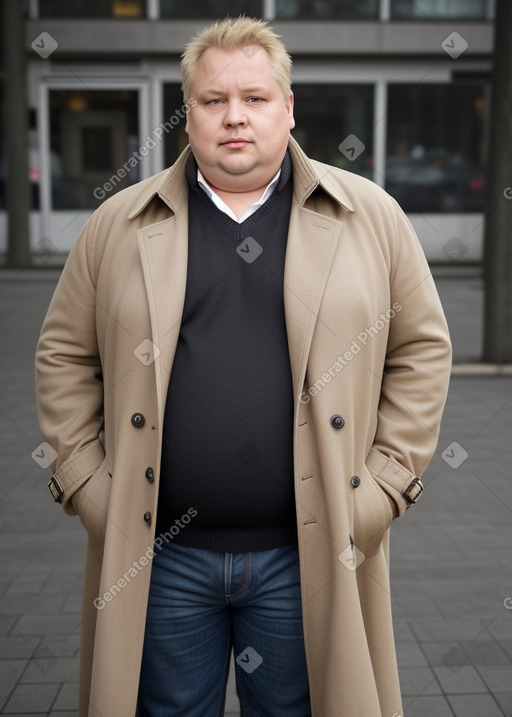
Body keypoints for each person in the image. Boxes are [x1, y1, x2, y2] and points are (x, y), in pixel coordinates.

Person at [35, 16, 452, 717]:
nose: (235, 117)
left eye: (255, 99)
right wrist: (88, 487)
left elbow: (422, 348)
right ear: (186, 112)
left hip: (311, 556)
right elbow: (63, 354)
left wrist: (381, 490)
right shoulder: (117, 224)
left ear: (287, 108)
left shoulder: (368, 216)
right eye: (213, 100)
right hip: (161, 558)